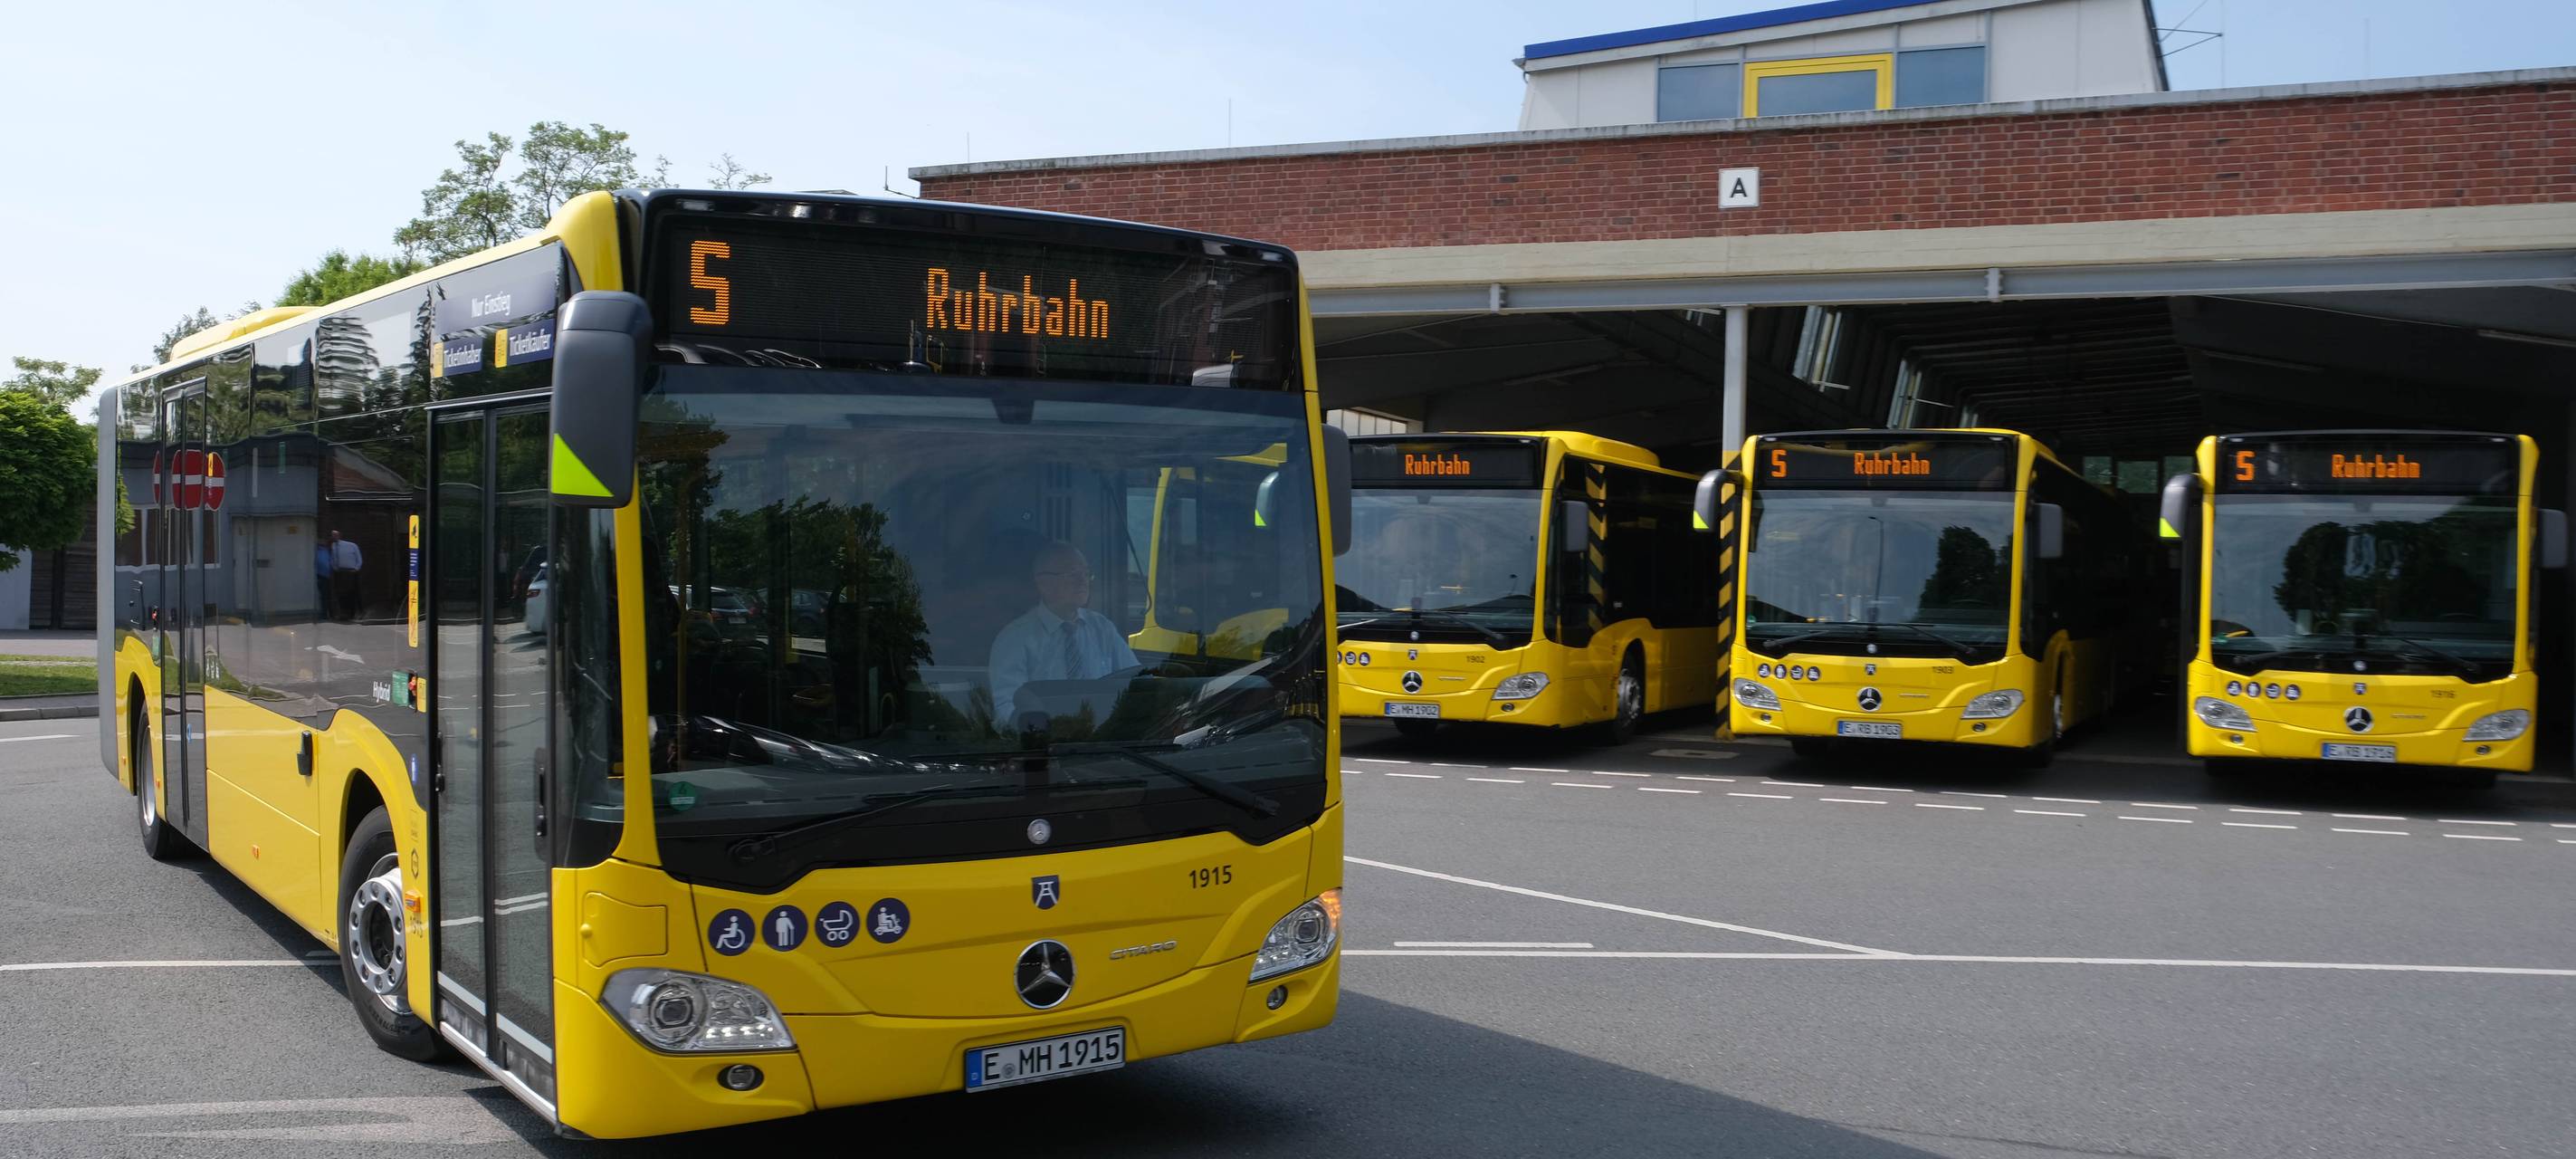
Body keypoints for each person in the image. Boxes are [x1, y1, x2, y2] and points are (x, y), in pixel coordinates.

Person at [987, 541, 1137, 726]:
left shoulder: (1101, 627)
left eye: (1086, 573)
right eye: (1072, 574)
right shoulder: (1015, 638)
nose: (1083, 581)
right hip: (1044, 744)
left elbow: (1137, 683)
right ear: (1043, 583)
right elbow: (1006, 709)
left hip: (1105, 739)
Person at [328, 530, 365, 622]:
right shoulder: (332, 546)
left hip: (351, 571)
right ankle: (345, 614)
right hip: (340, 572)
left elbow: (359, 558)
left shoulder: (351, 545)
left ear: (339, 536)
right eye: (332, 536)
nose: (334, 537)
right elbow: (332, 559)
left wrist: (356, 568)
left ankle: (358, 612)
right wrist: (334, 568)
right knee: (341, 593)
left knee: (354, 592)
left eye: (335, 535)